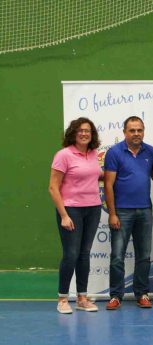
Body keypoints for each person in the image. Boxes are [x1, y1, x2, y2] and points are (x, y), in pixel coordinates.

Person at [49, 117, 102, 314]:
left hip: (93, 208)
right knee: (70, 254)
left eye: (88, 130)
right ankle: (63, 299)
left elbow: (96, 175)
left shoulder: (94, 154)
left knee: (84, 254)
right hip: (71, 210)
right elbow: (53, 188)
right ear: (73, 133)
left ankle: (82, 297)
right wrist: (64, 215)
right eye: (80, 130)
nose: (84, 133)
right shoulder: (63, 155)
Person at [104, 116, 153, 310]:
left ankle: (142, 294)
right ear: (125, 132)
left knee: (144, 256)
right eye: (132, 130)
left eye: (139, 130)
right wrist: (112, 213)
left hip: (145, 210)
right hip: (122, 212)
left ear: (143, 131)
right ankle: (116, 296)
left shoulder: (150, 151)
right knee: (117, 256)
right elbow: (108, 185)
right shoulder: (114, 153)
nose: (136, 134)